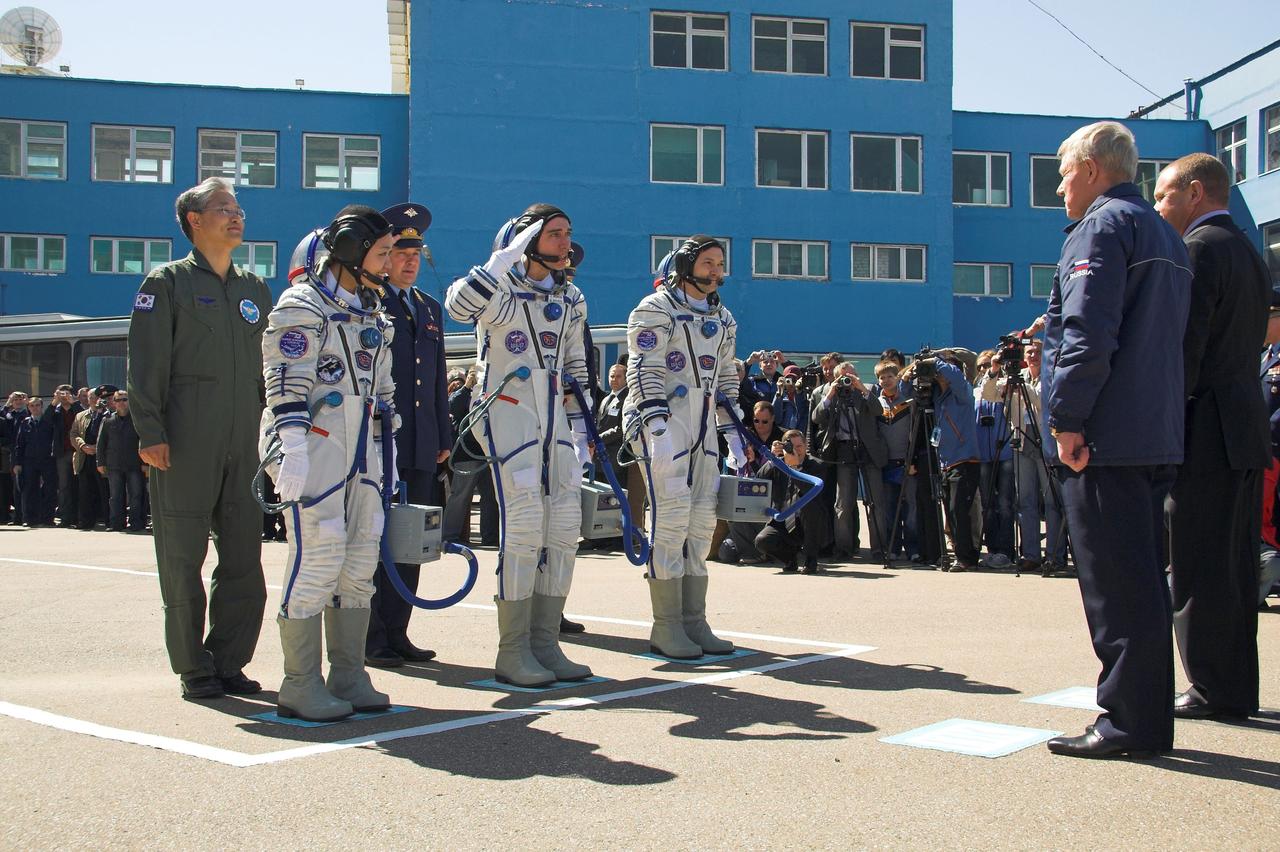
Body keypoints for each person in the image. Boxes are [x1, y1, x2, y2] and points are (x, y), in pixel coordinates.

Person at [1041, 121, 1191, 760]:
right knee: (1142, 582)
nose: (1060, 188)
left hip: (1106, 434)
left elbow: (1087, 330)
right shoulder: (1164, 232)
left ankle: (1128, 721)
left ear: (1092, 168)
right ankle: (1143, 717)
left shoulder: (1101, 228)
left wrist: (1067, 418)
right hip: (1151, 430)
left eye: (1064, 174)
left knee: (1116, 587)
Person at [128, 177, 271, 701]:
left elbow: (269, 370)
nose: (236, 216)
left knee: (244, 558)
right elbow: (146, 363)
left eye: (238, 209)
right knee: (183, 558)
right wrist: (150, 431)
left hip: (245, 442)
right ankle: (194, 666)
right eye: (224, 208)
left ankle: (229, 661)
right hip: (185, 441)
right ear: (194, 220)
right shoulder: (166, 283)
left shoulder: (255, 289)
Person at [445, 203, 593, 686]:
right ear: (526, 240)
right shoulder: (500, 289)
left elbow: (576, 365)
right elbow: (457, 308)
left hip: (555, 419)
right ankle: (513, 651)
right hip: (507, 413)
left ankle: (545, 643)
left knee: (564, 525)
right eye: (554, 233)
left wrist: (582, 427)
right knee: (525, 524)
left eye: (567, 232)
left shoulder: (570, 297)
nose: (565, 242)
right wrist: (502, 260)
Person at [262, 207, 398, 722]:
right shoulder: (302, 306)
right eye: (382, 253)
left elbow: (383, 389)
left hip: (361, 447)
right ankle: (299, 682)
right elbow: (285, 379)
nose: (388, 264)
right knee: (319, 554)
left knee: (360, 557)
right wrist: (292, 445)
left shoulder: (372, 315)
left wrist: (387, 446)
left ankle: (348, 674)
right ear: (349, 250)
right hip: (313, 443)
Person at [1154, 153, 1269, 720]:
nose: (1158, 206)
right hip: (1243, 426)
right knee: (1235, 566)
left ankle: (1209, 687)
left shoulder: (1198, 249)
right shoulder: (1247, 249)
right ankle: (1234, 687)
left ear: (1195, 192)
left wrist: (1160, 422)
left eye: (1164, 195)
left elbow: (1186, 350)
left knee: (1199, 564)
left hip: (1207, 428)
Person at [624, 235, 742, 659]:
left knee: (702, 521)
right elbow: (644, 368)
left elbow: (726, 375)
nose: (716, 271)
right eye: (708, 262)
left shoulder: (723, 319)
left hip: (703, 421)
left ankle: (695, 621)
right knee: (671, 519)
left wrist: (733, 431)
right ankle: (667, 626)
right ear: (684, 266)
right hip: (663, 419)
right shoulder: (655, 310)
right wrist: (656, 425)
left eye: (720, 264)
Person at [363, 202, 453, 669]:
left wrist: (443, 435)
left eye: (416, 254)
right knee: (375, 539)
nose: (409, 261)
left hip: (420, 442)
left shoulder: (428, 307)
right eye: (400, 252)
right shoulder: (369, 303)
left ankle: (398, 632)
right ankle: (372, 636)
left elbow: (435, 379)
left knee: (410, 537)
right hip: (382, 440)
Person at [901, 350, 981, 570]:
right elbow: (905, 392)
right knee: (950, 510)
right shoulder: (937, 395)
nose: (938, 373)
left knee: (958, 510)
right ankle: (958, 553)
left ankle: (966, 558)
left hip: (965, 459)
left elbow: (955, 376)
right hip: (945, 461)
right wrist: (911, 372)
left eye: (943, 368)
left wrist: (935, 360)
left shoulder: (963, 392)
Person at [811, 361, 886, 560]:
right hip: (844, 449)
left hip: (868, 449)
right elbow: (816, 417)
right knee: (843, 503)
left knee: (876, 502)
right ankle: (843, 549)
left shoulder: (868, 389)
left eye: (851, 376)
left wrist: (861, 388)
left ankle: (879, 549)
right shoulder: (833, 394)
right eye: (843, 377)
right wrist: (830, 394)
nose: (847, 380)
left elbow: (878, 410)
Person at [753, 430, 828, 573]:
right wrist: (772, 458)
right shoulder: (778, 463)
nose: (796, 451)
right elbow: (759, 480)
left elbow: (810, 491)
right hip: (783, 519)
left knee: (809, 508)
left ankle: (811, 559)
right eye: (791, 447)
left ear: (806, 446)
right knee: (762, 541)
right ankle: (789, 559)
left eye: (799, 446)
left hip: (809, 522)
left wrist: (795, 468)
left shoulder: (817, 465)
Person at [96, 390, 146, 532]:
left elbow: (144, 441)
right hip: (114, 464)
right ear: (114, 402)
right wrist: (100, 462)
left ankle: (136, 523)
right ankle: (116, 524)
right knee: (115, 496)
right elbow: (101, 443)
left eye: (124, 399)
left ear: (129, 401)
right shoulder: (108, 420)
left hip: (135, 464)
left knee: (136, 495)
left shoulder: (137, 420)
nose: (121, 403)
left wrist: (146, 463)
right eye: (118, 400)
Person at [13, 397, 56, 526]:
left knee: (49, 489)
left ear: (42, 406)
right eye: (32, 406)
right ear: (28, 408)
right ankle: (29, 519)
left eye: (37, 405)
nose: (35, 408)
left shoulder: (48, 422)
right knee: (29, 489)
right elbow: (19, 444)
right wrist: (17, 463)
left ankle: (48, 518)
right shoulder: (25, 423)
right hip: (29, 460)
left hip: (47, 459)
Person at [44, 384, 80, 527]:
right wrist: (54, 402)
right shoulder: (56, 410)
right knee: (64, 486)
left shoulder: (77, 409)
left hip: (77, 451)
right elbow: (46, 421)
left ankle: (78, 517)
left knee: (79, 485)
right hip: (62, 453)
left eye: (66, 394)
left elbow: (83, 417)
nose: (64, 397)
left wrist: (73, 403)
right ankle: (65, 518)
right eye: (61, 394)